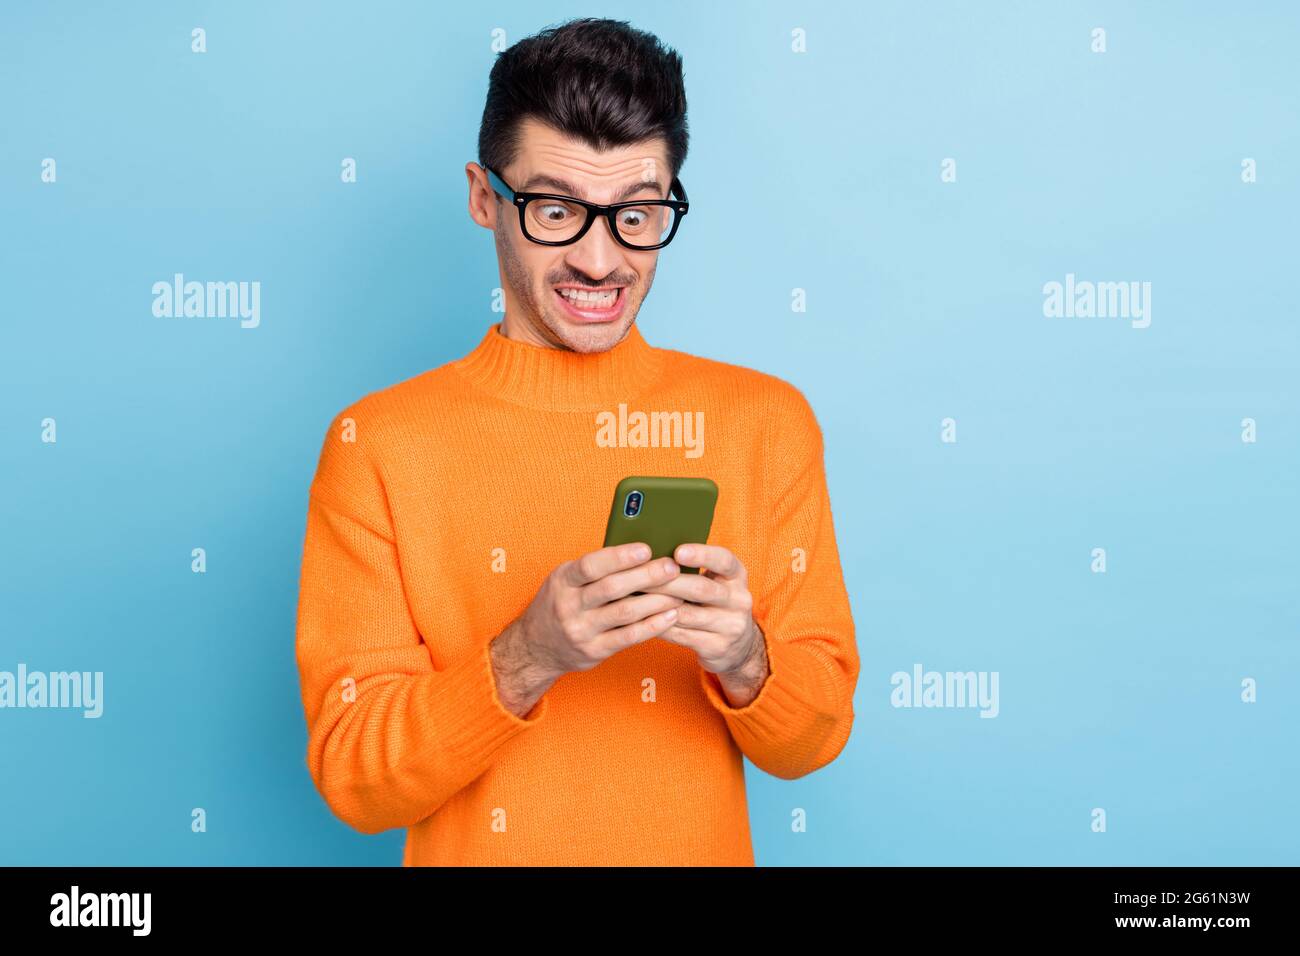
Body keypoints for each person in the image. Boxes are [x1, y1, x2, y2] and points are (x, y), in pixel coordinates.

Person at [295, 16, 859, 866]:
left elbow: (814, 741)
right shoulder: (377, 443)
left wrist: (746, 657)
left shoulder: (765, 422)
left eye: (636, 214)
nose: (600, 261)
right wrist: (525, 659)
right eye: (556, 209)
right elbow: (354, 778)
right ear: (486, 197)